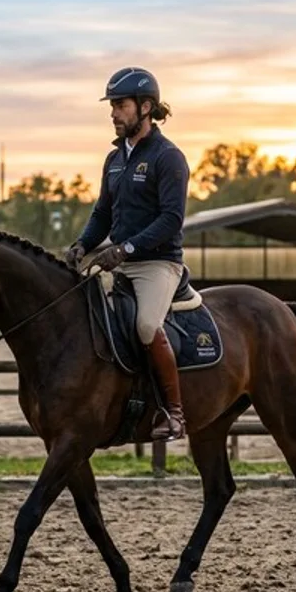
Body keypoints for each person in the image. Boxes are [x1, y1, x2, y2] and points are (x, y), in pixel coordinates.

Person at [63, 66, 190, 442]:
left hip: (158, 264)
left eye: (120, 105)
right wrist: (83, 244)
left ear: (146, 106)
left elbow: (172, 219)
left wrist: (127, 248)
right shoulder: (115, 160)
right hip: (119, 262)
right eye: (112, 105)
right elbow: (102, 212)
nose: (113, 113)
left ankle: (175, 413)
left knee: (146, 326)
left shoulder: (169, 158)